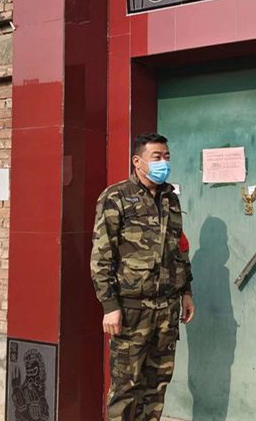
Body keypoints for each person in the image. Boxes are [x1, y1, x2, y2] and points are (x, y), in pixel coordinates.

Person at [90, 133, 196, 421]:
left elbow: (179, 249)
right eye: (156, 157)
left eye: (167, 156)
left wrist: (186, 292)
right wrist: (110, 305)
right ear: (137, 162)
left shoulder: (170, 200)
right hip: (132, 309)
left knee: (157, 385)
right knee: (126, 387)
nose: (164, 162)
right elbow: (102, 256)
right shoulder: (116, 197)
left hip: (166, 310)